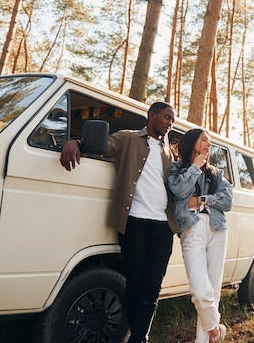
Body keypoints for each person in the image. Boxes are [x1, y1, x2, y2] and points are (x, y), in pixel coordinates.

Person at [60, 102, 179, 343]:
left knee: (153, 284)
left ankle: (139, 336)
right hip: (135, 222)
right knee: (134, 281)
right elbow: (102, 145)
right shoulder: (128, 138)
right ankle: (136, 335)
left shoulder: (169, 151)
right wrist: (76, 141)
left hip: (162, 227)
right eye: (167, 117)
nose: (170, 123)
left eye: (172, 120)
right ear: (152, 116)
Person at [167, 128, 232, 343]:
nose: (208, 144)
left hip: (217, 229)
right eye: (204, 139)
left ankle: (203, 340)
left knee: (213, 291)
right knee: (200, 291)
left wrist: (201, 200)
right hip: (192, 229)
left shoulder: (216, 173)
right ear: (191, 141)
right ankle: (215, 330)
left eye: (210, 141)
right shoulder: (178, 168)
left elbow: (227, 201)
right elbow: (178, 190)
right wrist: (195, 167)